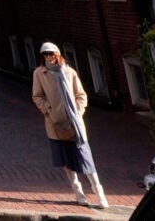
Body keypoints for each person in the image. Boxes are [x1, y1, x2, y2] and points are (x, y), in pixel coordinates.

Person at [31, 42, 107, 209]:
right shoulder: (39, 74)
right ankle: (78, 192)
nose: (49, 57)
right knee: (66, 160)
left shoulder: (69, 72)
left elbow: (81, 95)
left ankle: (99, 194)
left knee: (85, 158)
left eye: (51, 53)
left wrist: (78, 113)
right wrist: (49, 111)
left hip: (75, 124)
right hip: (55, 124)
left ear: (58, 54)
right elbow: (37, 96)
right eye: (45, 54)